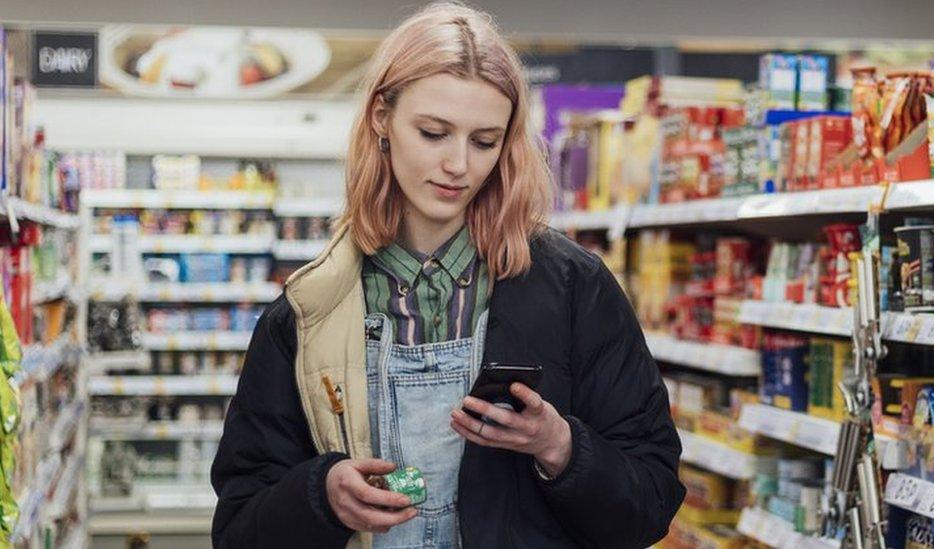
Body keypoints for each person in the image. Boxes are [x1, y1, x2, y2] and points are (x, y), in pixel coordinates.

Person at [210, 3, 684, 548]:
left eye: (484, 142)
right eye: (434, 133)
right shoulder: (309, 311)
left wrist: (560, 446)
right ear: (380, 119)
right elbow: (239, 529)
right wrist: (321, 495)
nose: (459, 164)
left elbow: (650, 504)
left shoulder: (575, 289)